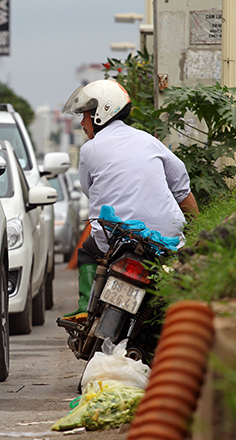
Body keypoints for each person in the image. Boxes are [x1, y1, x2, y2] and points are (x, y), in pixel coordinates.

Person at [61, 79, 199, 322]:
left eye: (84, 116)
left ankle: (86, 307)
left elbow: (89, 190)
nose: (82, 123)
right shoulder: (149, 141)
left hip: (116, 242)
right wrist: (196, 228)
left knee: (86, 251)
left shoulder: (90, 150)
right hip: (166, 240)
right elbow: (182, 191)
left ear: (101, 113)